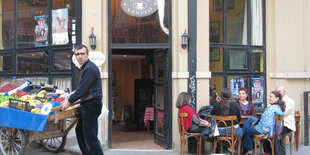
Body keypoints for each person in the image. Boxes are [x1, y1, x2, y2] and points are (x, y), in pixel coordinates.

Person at [61, 44, 104, 155]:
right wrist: (74, 94)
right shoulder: (85, 67)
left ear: (87, 55)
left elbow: (83, 89)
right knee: (80, 132)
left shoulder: (90, 68)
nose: (80, 56)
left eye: (82, 54)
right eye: (77, 54)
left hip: (91, 105)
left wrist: (69, 101)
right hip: (87, 104)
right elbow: (83, 88)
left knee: (90, 138)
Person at [211, 88, 243, 153]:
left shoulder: (216, 105)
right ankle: (234, 149)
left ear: (221, 96)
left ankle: (222, 149)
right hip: (233, 131)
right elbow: (239, 119)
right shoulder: (235, 105)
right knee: (240, 132)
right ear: (230, 95)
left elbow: (212, 115)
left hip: (219, 132)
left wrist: (217, 102)